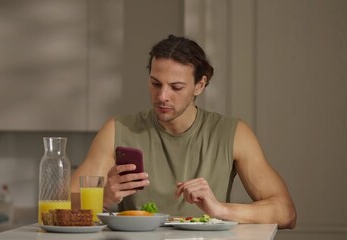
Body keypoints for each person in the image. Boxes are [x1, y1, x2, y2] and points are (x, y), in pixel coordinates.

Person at [71, 35, 296, 229]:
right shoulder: (117, 130)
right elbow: (58, 205)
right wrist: (102, 198)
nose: (162, 97)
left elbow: (285, 213)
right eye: (155, 83)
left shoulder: (234, 133)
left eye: (176, 87)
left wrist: (219, 209)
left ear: (200, 85)